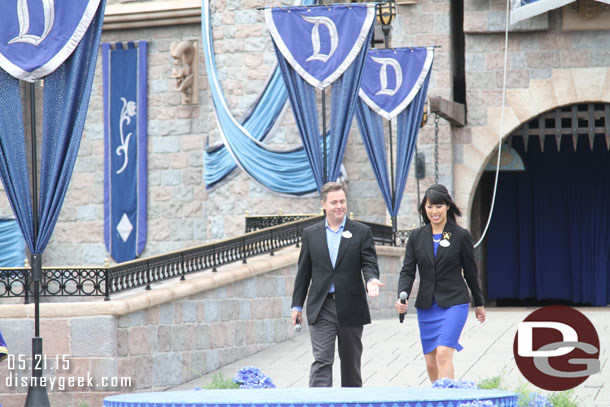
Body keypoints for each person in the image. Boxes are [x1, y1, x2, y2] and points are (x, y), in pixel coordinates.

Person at [291, 182, 384, 387]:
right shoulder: (311, 234)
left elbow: (369, 262)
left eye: (342, 201)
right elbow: (304, 272)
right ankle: (319, 403)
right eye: (334, 202)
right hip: (321, 305)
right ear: (324, 204)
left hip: (351, 305)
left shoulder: (361, 231)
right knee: (322, 360)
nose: (339, 206)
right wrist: (296, 305)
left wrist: (371, 279)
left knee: (351, 363)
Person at [395, 184, 485, 382]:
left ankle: (448, 400)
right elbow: (408, 271)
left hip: (454, 301)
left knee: (443, 353)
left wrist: (479, 303)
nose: (434, 211)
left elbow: (471, 272)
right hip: (427, 305)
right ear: (424, 209)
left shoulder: (460, 235)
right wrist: (402, 295)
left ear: (447, 207)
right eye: (430, 207)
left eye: (439, 206)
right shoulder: (416, 236)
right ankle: (438, 398)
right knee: (430, 361)